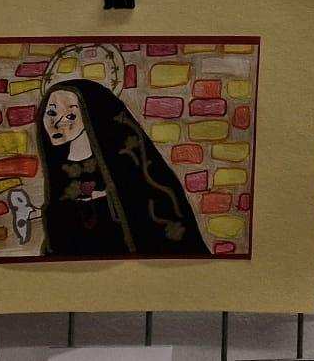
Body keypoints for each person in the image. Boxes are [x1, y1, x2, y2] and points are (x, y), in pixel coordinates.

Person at [34, 78, 208, 258]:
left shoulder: (124, 158)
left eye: (71, 116)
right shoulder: (57, 165)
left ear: (90, 115)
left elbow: (144, 209)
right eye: (51, 112)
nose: (56, 123)